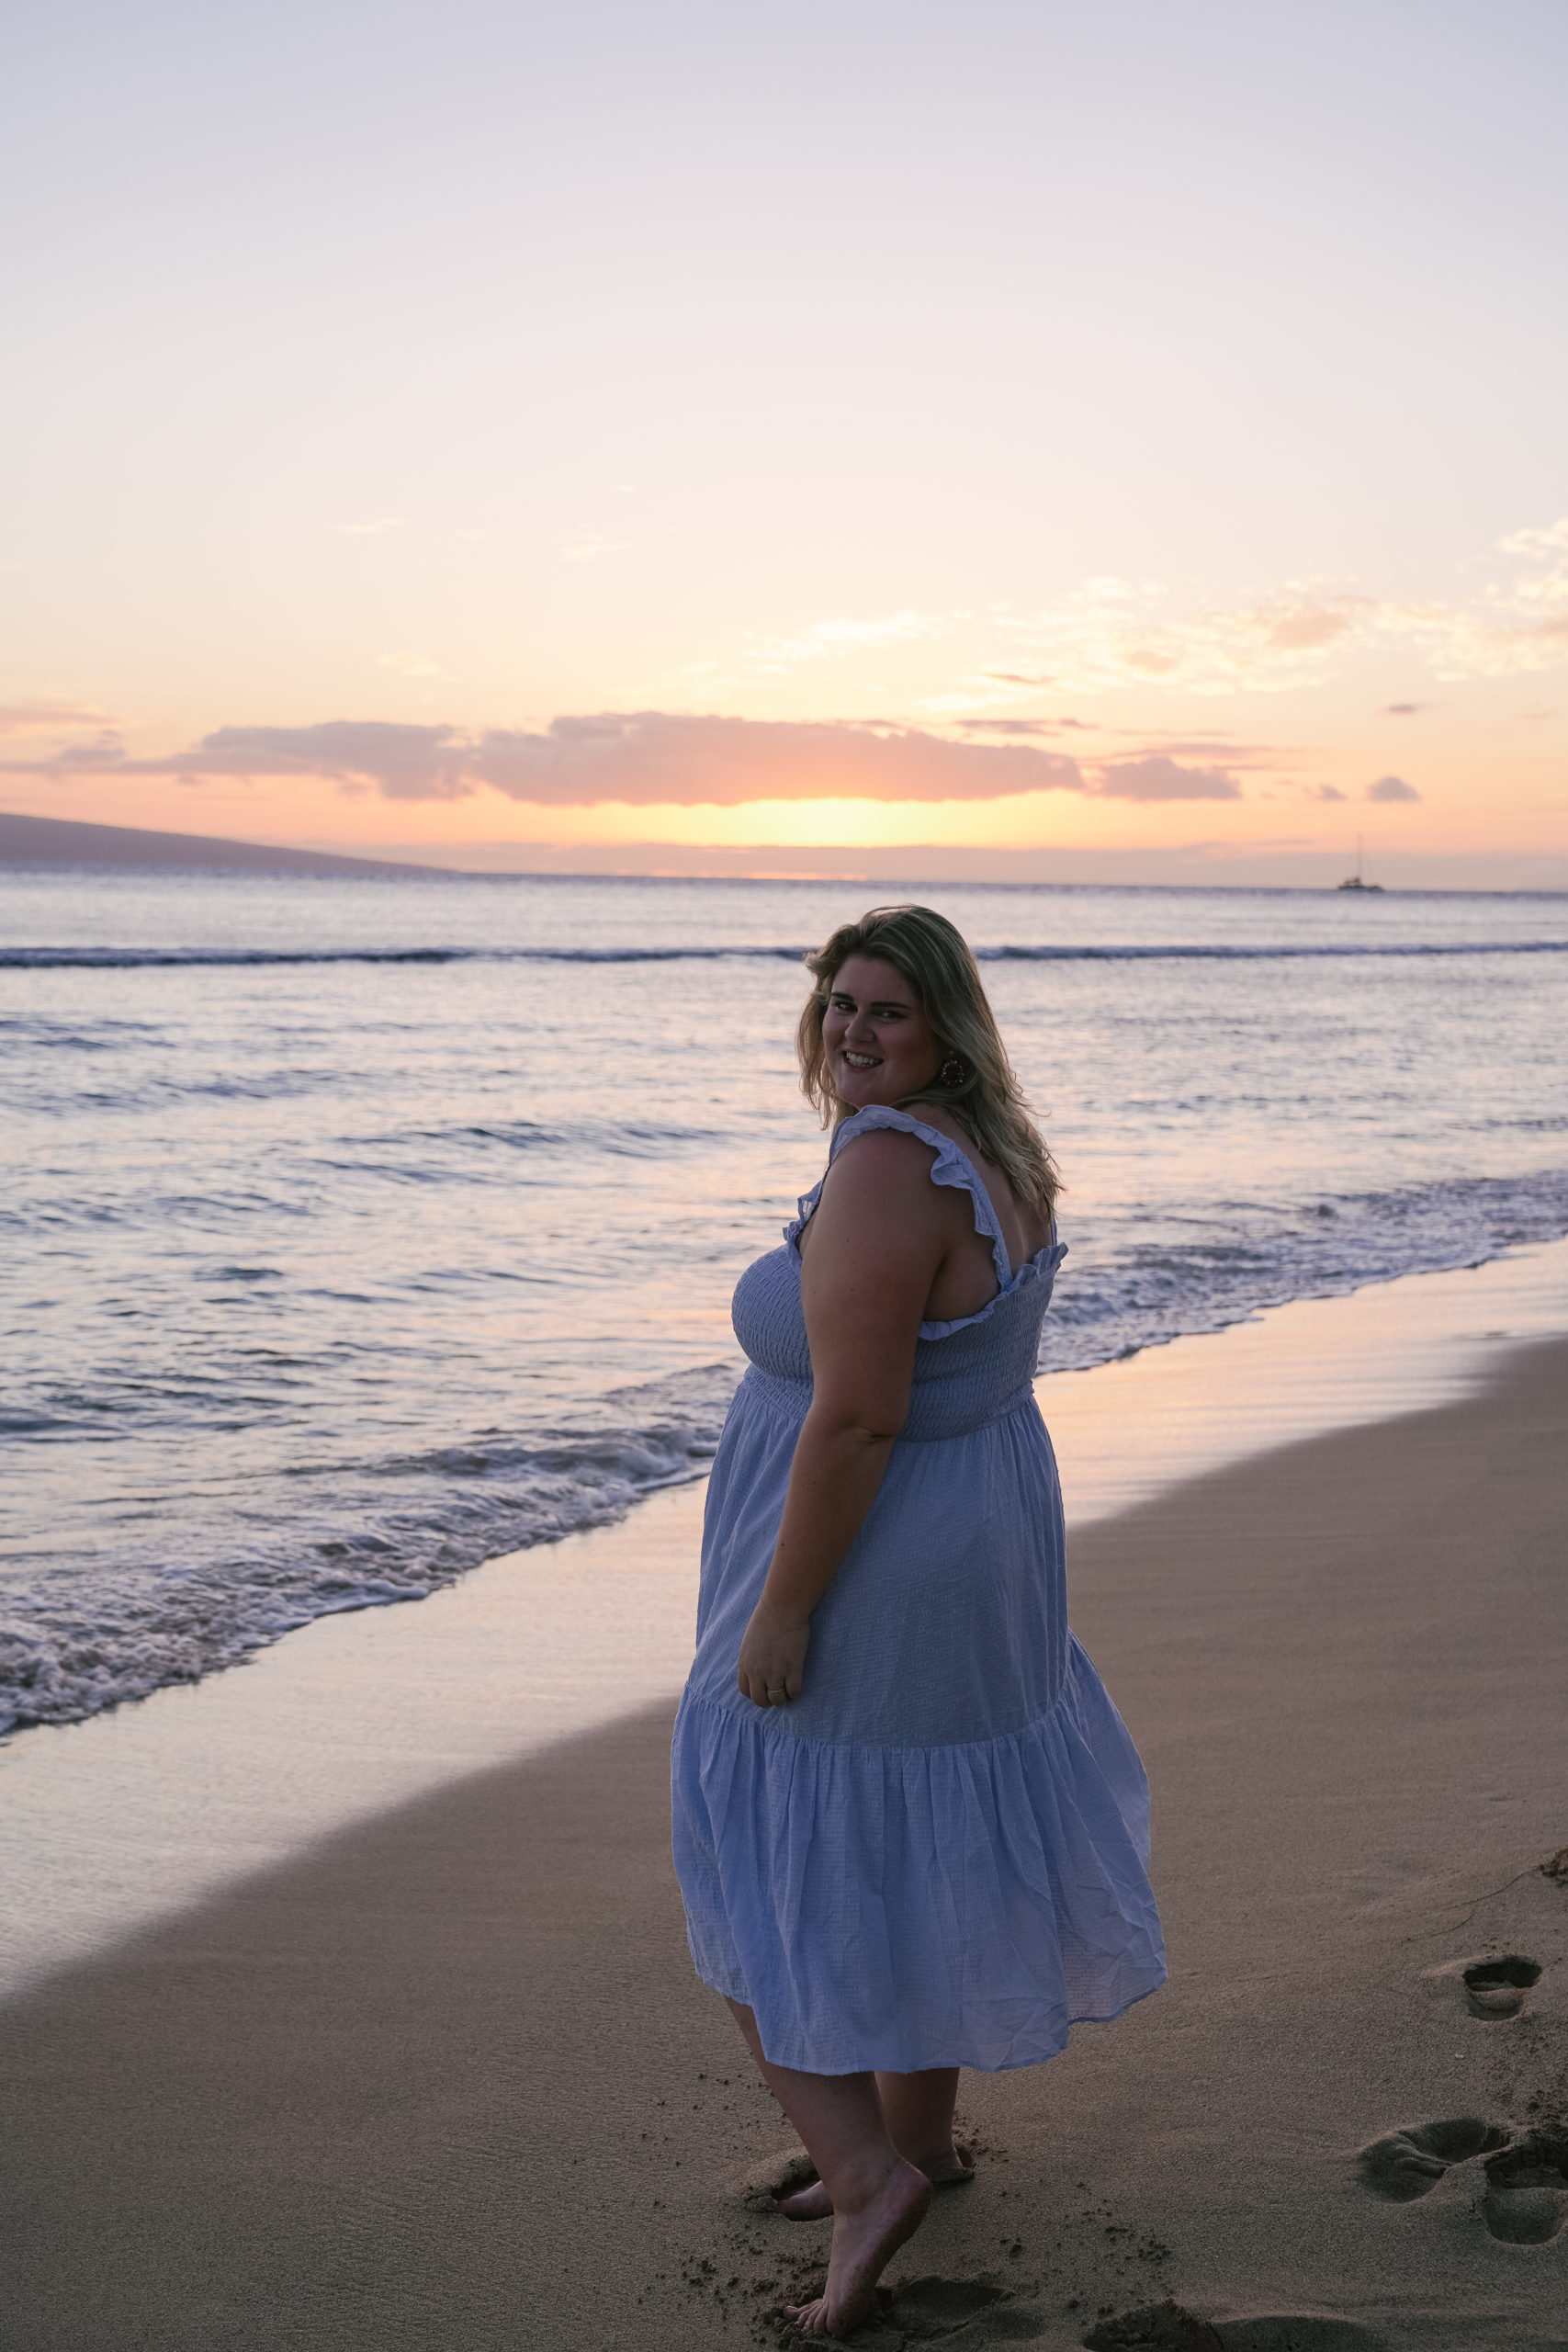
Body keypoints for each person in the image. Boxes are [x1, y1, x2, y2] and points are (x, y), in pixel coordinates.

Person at [671, 904, 1166, 2337]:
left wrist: (782, 1608)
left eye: (885, 1010)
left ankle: (866, 2167)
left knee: (753, 1823)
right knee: (909, 1833)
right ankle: (924, 2143)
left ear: (947, 1022)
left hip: (887, 1550)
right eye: (839, 1005)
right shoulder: (992, 1147)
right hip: (982, 1530)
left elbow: (859, 1416)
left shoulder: (890, 1167)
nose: (853, 1031)